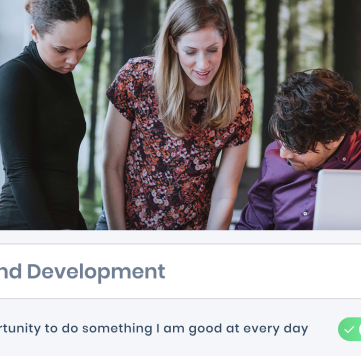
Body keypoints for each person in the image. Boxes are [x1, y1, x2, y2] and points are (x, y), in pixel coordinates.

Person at [98, 0, 253, 230]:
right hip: (121, 226)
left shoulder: (239, 101)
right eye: (190, 51)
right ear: (173, 43)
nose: (203, 64)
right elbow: (112, 166)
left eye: (212, 50)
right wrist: (121, 242)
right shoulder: (135, 78)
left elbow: (224, 195)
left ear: (225, 41)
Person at [236, 69, 361, 230]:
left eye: (297, 146)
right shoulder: (275, 154)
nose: (283, 153)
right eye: (282, 140)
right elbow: (250, 230)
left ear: (334, 138)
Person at [0, 0, 92, 230]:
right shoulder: (14, 76)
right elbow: (18, 170)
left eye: (83, 46)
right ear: (35, 33)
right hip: (23, 228)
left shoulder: (63, 74)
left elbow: (63, 170)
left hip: (62, 227)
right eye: (62, 50)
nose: (74, 59)